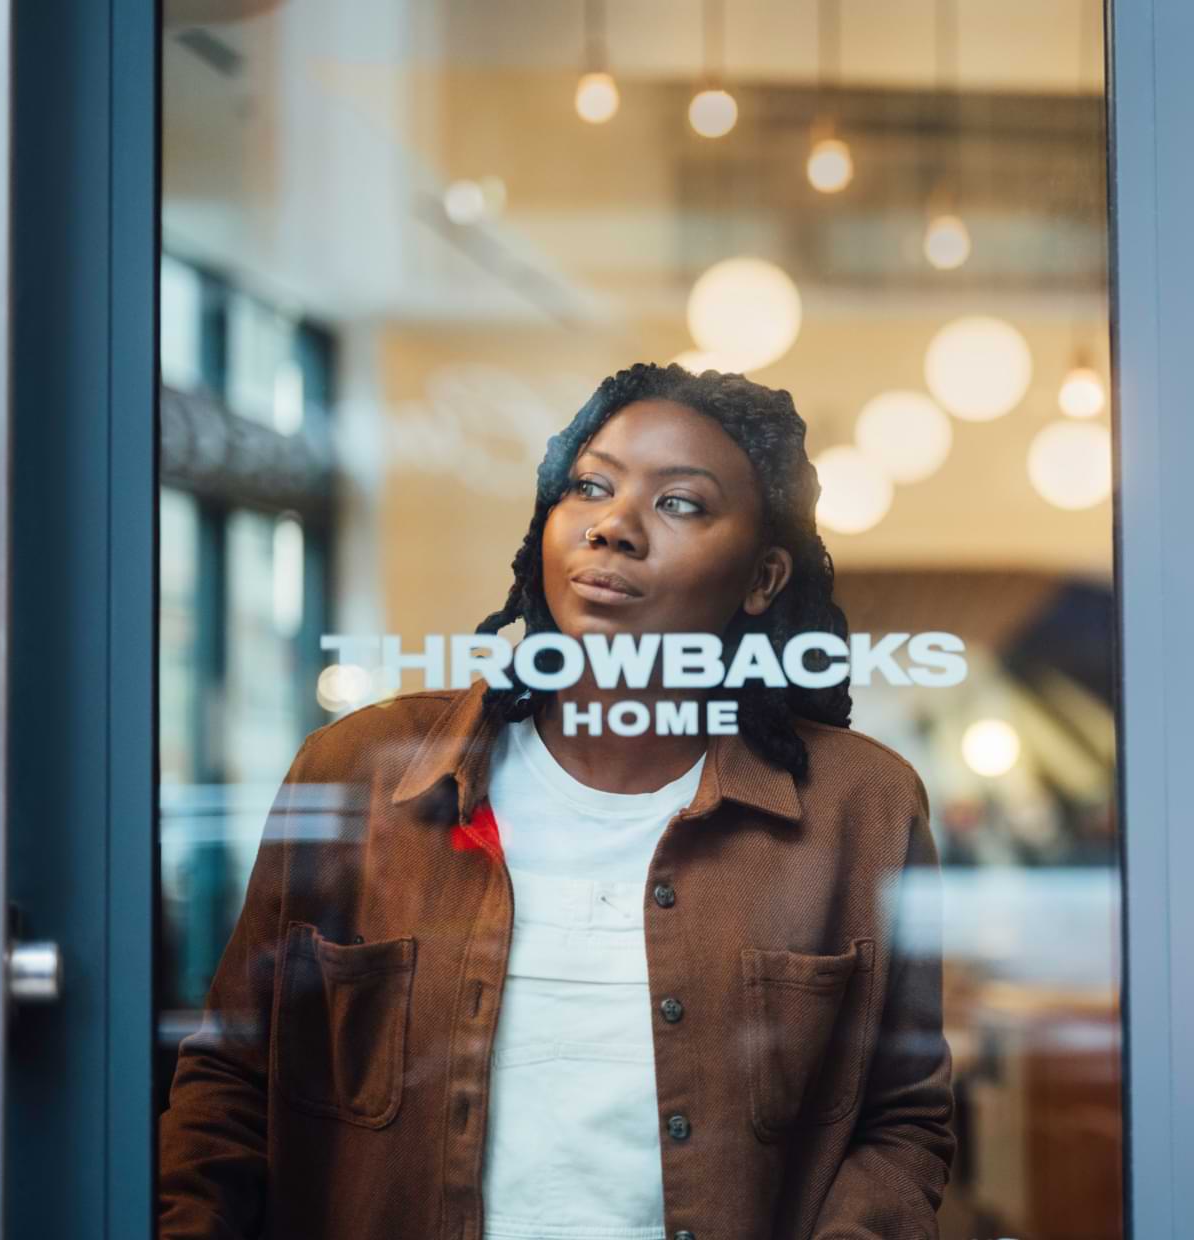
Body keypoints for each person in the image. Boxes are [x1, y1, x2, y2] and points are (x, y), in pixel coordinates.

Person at [159, 361, 956, 1240]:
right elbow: (232, 1081)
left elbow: (901, 1120)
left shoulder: (861, 808)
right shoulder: (363, 773)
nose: (614, 527)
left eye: (680, 503)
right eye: (589, 487)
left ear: (763, 580)